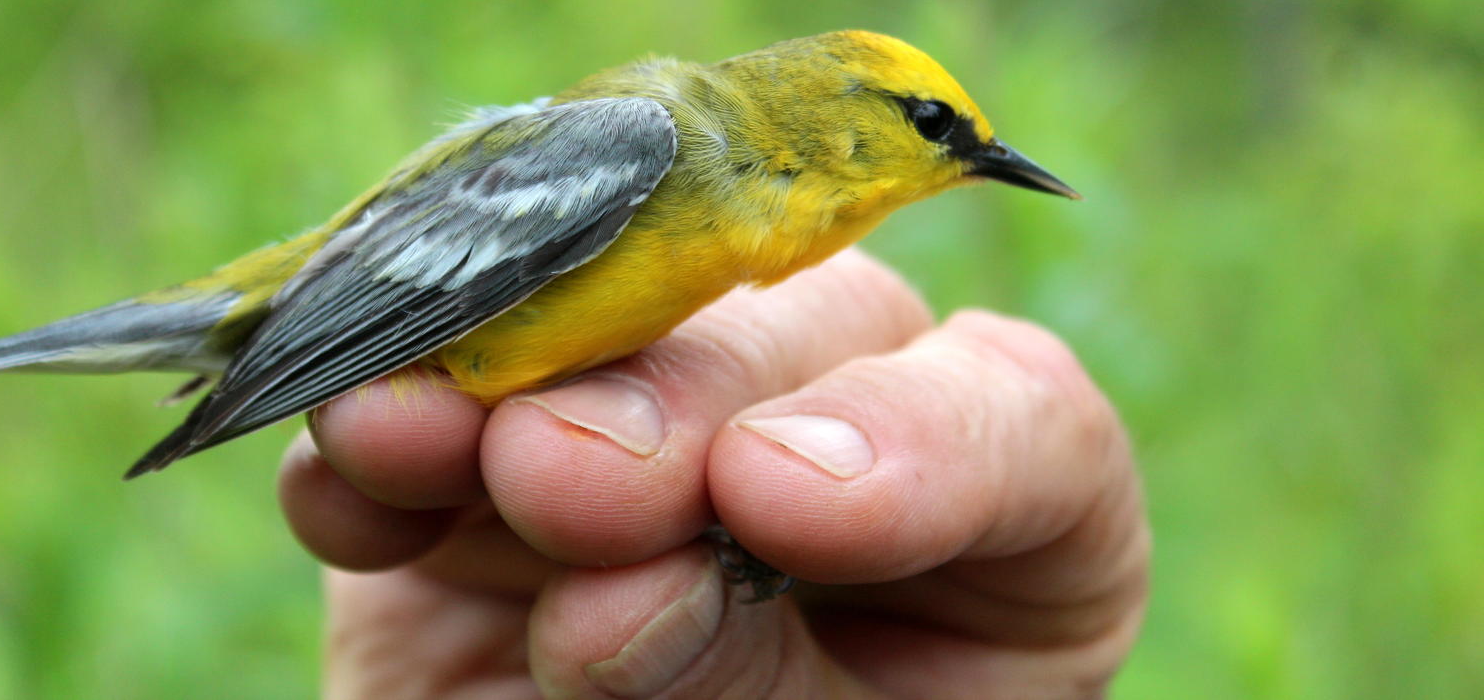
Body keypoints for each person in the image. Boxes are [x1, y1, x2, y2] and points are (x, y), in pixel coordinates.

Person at [277, 249, 1149, 698]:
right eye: (931, 124)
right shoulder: (663, 153)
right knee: (605, 451)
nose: (973, 157)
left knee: (630, 453)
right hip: (362, 329)